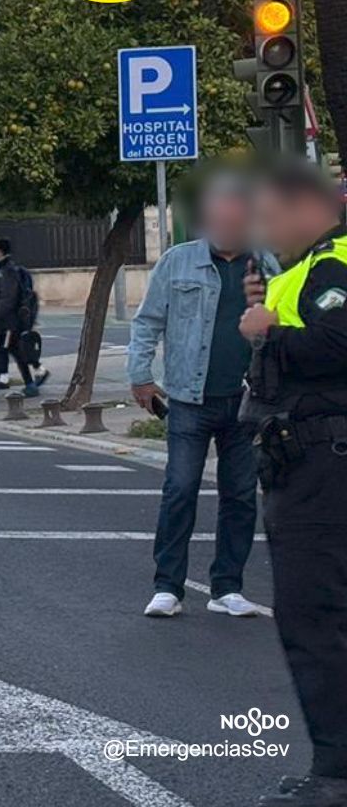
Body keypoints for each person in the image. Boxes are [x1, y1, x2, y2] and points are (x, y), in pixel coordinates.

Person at [240, 161, 347, 807]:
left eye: (273, 215)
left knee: (317, 620)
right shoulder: (305, 271)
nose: (267, 229)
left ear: (309, 208)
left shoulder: (334, 266)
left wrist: (270, 331)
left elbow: (337, 343)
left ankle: (335, 776)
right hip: (306, 466)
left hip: (323, 471)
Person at [125, 173, 266, 621]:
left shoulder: (266, 265)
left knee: (241, 495)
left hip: (246, 400)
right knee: (180, 489)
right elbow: (148, 322)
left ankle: (227, 587)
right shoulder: (177, 262)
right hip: (188, 398)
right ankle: (167, 586)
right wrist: (140, 376)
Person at [0, 238, 49, 397]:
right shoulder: (1, 270)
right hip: (7, 321)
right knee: (13, 351)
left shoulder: (6, 271)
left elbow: (7, 298)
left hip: (8, 322)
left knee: (2, 351)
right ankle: (30, 383)